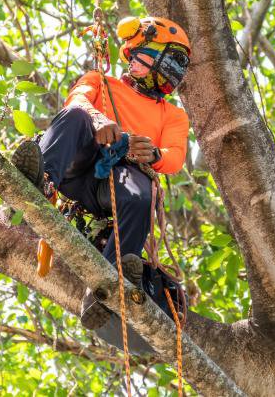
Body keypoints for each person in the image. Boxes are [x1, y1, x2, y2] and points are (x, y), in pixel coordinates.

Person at [11, 16, 190, 331]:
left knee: (141, 197)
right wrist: (97, 119)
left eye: (144, 60)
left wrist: (155, 154)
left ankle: (109, 285)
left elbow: (176, 157)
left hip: (117, 184)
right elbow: (76, 99)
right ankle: (40, 183)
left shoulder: (172, 115)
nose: (135, 65)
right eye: (134, 58)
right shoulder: (100, 80)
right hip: (77, 164)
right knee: (76, 115)